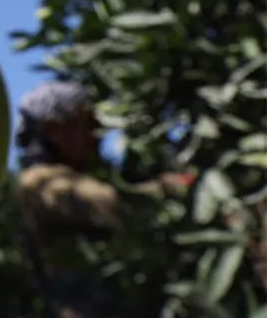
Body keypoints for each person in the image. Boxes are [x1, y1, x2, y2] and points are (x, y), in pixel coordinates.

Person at [14, 81, 194, 318]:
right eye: (88, 123)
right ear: (53, 131)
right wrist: (176, 187)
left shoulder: (57, 178)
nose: (97, 135)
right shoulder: (40, 182)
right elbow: (113, 204)